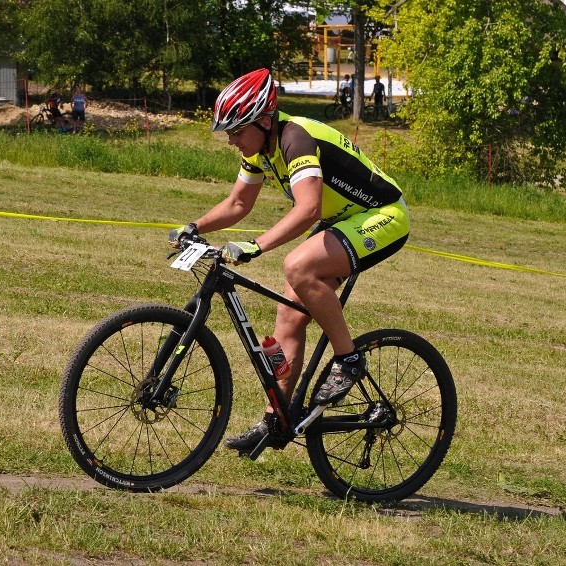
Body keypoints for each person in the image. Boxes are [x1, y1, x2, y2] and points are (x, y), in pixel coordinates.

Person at [168, 68, 410, 450]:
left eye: (236, 131)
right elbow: (237, 203)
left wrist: (255, 245)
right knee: (289, 315)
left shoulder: (296, 138)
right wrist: (194, 226)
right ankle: (275, 420)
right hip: (342, 218)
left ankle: (348, 360)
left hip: (381, 215)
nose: (231, 140)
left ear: (264, 121)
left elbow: (309, 208)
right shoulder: (259, 148)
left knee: (298, 265)